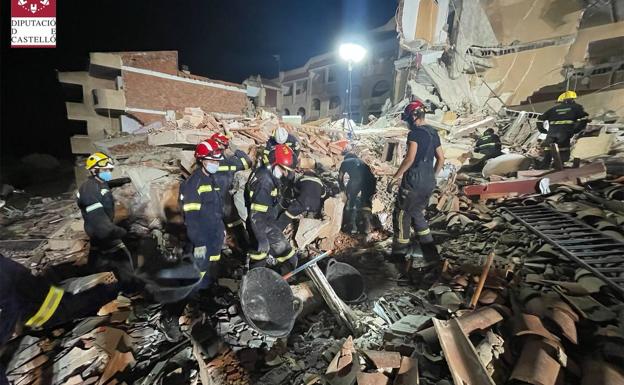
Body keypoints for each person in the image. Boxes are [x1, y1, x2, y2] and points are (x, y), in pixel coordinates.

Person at [1, 254, 118, 383]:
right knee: (70, 297)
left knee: (78, 304)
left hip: (39, 307)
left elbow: (12, 308)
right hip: (34, 290)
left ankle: (119, 284)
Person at [390, 100, 445, 281]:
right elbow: (441, 159)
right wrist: (431, 175)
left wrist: (396, 177)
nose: (407, 122)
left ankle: (397, 260)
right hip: (428, 181)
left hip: (413, 182)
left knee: (402, 215)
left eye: (408, 118)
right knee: (417, 215)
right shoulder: (433, 132)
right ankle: (431, 256)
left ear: (414, 117)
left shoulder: (415, 134)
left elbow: (409, 159)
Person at [77, 152, 134, 285]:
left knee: (97, 260)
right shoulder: (90, 190)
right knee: (123, 261)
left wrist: (122, 181)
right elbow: (99, 222)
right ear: (94, 170)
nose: (108, 172)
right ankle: (130, 291)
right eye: (105, 170)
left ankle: (94, 285)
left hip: (96, 235)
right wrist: (120, 232)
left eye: (109, 170)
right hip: (104, 234)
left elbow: (104, 185)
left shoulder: (97, 183)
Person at [178, 140, 225, 289]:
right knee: (198, 272)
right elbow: (191, 219)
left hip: (214, 236)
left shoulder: (211, 180)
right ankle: (187, 305)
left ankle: (207, 296)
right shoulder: (194, 184)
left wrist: (221, 229)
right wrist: (199, 243)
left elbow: (215, 210)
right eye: (212, 160)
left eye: (217, 161)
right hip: (201, 239)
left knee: (212, 269)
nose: (215, 164)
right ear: (201, 160)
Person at [246, 144, 298, 274]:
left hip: (268, 222)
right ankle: (256, 283)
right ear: (273, 163)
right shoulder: (264, 182)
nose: (285, 173)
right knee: (259, 255)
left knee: (288, 255)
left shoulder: (270, 176)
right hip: (259, 224)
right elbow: (256, 214)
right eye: (283, 169)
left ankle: (282, 277)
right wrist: (261, 238)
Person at [209, 132, 253, 254]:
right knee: (238, 230)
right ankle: (245, 256)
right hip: (227, 204)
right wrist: (234, 148)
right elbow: (247, 162)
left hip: (211, 204)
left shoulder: (207, 162)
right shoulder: (231, 161)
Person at [539, 91, 589, 167]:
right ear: (572, 99)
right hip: (564, 132)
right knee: (563, 148)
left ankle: (545, 165)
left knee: (548, 147)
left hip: (552, 133)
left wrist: (542, 129)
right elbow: (584, 118)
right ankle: (558, 165)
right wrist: (577, 129)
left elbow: (539, 119)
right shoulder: (576, 107)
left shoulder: (553, 109)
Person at [276, 165, 326, 231]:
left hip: (302, 203)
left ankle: (276, 230)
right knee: (310, 217)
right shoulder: (320, 182)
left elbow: (295, 190)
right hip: (315, 207)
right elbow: (323, 195)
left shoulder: (302, 179)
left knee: (286, 216)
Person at [338, 153, 377, 233]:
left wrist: (343, 189)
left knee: (351, 200)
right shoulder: (362, 162)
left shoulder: (345, 162)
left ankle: (351, 226)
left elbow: (340, 178)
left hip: (356, 180)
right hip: (371, 181)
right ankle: (366, 227)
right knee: (366, 202)